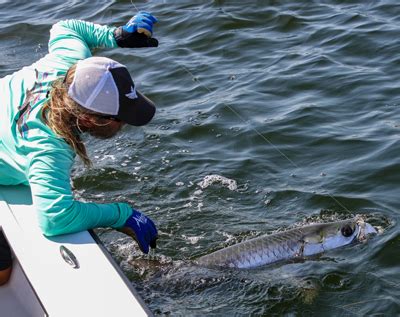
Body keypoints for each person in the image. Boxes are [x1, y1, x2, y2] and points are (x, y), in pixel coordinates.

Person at [0, 12, 159, 285]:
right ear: (88, 119)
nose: (124, 125)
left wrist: (117, 35)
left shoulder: (70, 64)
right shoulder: (50, 145)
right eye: (119, 118)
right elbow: (55, 219)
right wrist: (121, 214)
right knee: (3, 275)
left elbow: (67, 27)